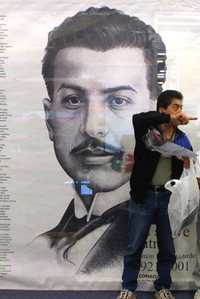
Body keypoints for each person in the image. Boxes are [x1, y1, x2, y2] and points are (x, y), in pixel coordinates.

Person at [37, 6, 167, 274]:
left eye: (118, 101)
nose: (93, 127)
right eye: (73, 100)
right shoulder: (32, 253)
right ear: (50, 119)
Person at [117, 90, 195, 299]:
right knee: (134, 246)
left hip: (169, 199)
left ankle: (162, 287)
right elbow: (138, 118)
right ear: (163, 110)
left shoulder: (181, 138)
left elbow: (189, 166)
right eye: (176, 107)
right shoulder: (146, 130)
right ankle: (128, 288)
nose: (180, 112)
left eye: (181, 107)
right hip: (144, 196)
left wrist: (188, 163)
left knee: (168, 248)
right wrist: (169, 119)